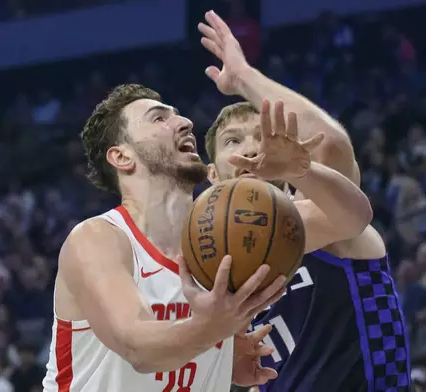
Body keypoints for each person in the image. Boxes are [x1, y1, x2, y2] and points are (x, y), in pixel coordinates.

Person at [42, 83, 370, 391]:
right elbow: (137, 346)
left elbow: (351, 219)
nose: (184, 122)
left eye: (178, 114)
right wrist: (213, 331)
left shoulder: (227, 234)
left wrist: (302, 171)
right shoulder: (99, 238)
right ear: (122, 157)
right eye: (159, 118)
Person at [199, 10, 411, 391]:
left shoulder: (321, 215)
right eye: (233, 141)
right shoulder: (211, 266)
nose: (250, 149)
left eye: (260, 136)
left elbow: (329, 145)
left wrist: (243, 77)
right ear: (212, 175)